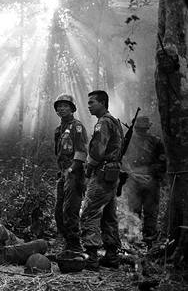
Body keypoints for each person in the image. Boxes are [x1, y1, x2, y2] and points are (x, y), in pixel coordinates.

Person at [81, 90, 123, 270]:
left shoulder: (103, 123)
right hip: (112, 174)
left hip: (102, 173)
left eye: (92, 102)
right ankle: (112, 256)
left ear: (103, 103)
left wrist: (88, 169)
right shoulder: (114, 122)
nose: (89, 106)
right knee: (109, 215)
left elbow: (97, 151)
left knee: (89, 212)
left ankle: (91, 257)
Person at [122, 116, 166, 248]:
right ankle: (134, 239)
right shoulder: (129, 140)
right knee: (133, 211)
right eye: (139, 129)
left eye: (143, 129)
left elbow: (163, 162)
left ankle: (149, 239)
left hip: (151, 182)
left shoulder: (156, 142)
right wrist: (133, 173)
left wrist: (149, 172)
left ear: (148, 128)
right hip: (133, 181)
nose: (141, 132)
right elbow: (123, 159)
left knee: (150, 211)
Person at [53, 94, 88, 254]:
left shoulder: (77, 127)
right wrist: (62, 172)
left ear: (72, 108)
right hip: (63, 174)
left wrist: (71, 170)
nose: (62, 108)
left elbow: (81, 152)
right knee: (58, 210)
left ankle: (75, 245)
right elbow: (59, 153)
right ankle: (67, 242)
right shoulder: (59, 130)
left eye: (65, 106)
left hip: (74, 174)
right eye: (59, 106)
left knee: (70, 209)